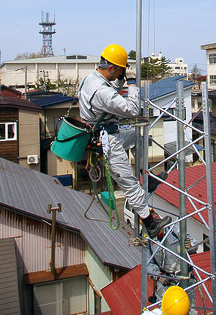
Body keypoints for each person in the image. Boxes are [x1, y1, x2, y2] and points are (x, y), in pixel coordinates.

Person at [78, 43, 171, 238]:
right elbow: (131, 109)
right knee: (128, 183)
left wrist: (119, 81)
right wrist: (132, 86)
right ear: (111, 67)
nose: (121, 74)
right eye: (120, 70)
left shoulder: (91, 79)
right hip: (107, 141)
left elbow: (111, 90)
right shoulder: (101, 91)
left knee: (139, 136)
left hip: (110, 134)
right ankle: (150, 223)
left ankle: (147, 180)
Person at [147, 215, 198, 314]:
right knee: (165, 307)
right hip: (166, 279)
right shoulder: (150, 241)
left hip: (184, 276)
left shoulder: (175, 231)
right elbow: (148, 264)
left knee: (188, 307)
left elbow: (194, 246)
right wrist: (158, 276)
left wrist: (190, 246)